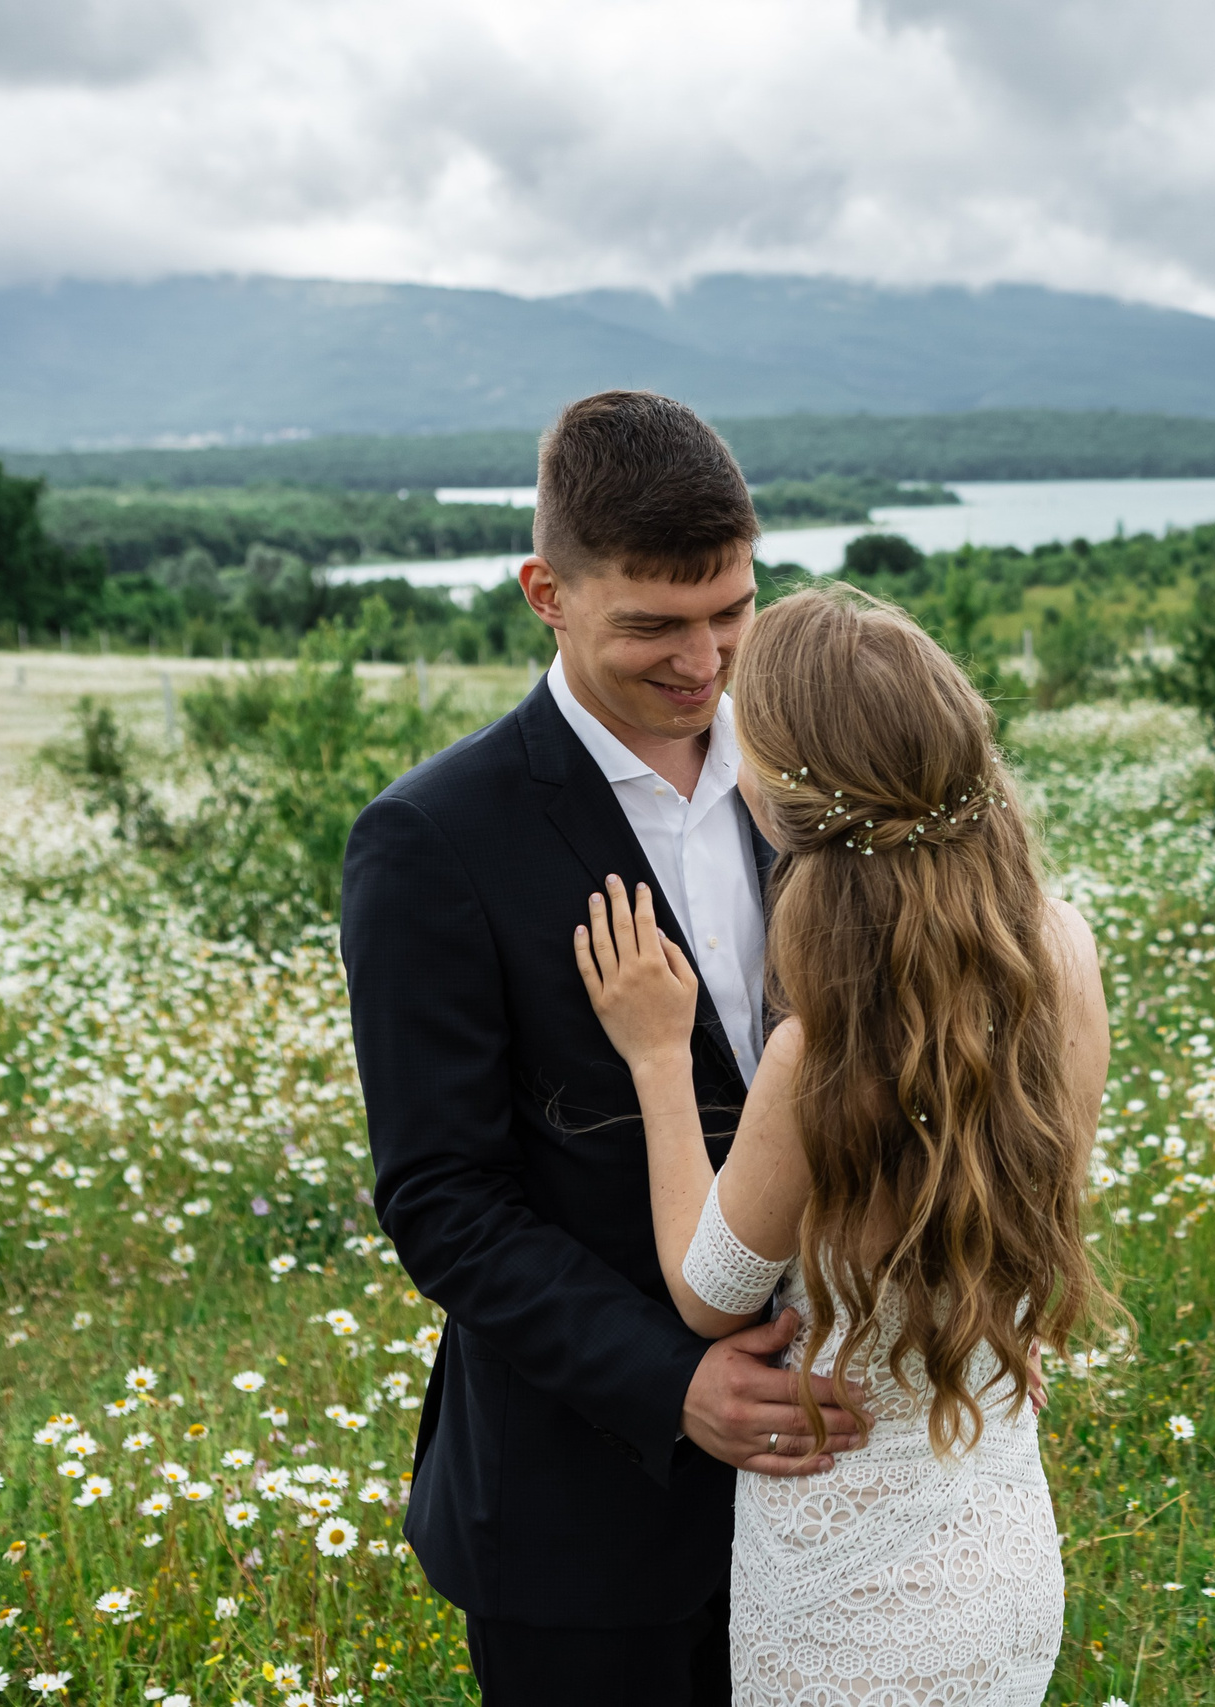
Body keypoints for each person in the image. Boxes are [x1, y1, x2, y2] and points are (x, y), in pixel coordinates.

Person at [341, 392, 869, 1707]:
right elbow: (443, 1199)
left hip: (843, 1486)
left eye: (730, 611)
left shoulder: (818, 778)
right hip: (583, 1517)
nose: (703, 661)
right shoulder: (434, 839)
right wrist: (672, 1379)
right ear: (547, 594)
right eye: (652, 625)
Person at [573, 585, 1109, 1703]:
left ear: (782, 799)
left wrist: (657, 1058)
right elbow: (1042, 1196)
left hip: (845, 1587)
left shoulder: (823, 1048)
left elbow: (710, 1297)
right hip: (1002, 1536)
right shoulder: (1060, 950)